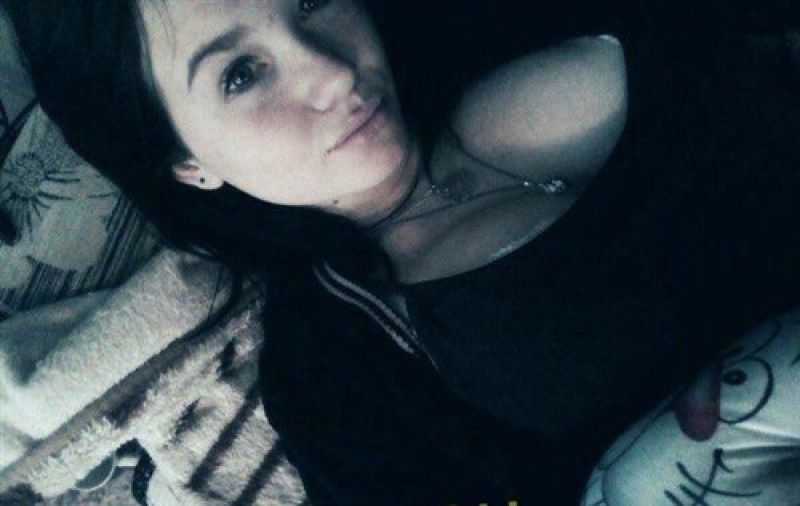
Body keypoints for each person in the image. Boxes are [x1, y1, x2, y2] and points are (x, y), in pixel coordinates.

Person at [6, 0, 800, 504]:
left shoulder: (486, 19)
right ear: (187, 161)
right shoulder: (333, 376)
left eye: (310, 0)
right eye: (241, 74)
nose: (331, 70)